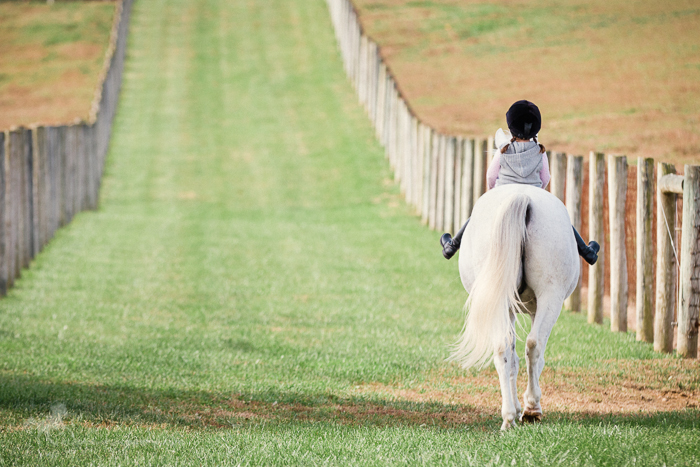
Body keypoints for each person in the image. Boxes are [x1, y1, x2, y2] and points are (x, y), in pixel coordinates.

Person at [440, 100, 600, 265]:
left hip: (502, 191)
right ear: (536, 128)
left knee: (477, 214)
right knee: (562, 219)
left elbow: (490, 175)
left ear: (511, 127)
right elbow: (545, 178)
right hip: (534, 191)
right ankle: (587, 252)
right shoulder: (540, 151)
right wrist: (538, 191)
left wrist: (492, 191)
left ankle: (452, 245)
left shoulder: (504, 149)